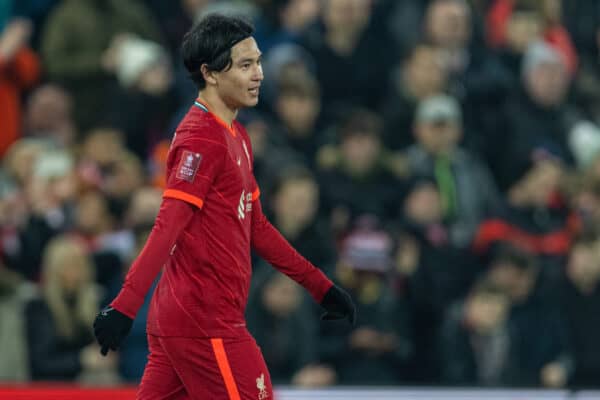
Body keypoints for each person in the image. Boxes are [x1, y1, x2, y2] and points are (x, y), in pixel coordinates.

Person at [93, 14, 355, 399]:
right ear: (210, 73)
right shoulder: (200, 139)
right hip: (205, 322)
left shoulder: (237, 136)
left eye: (259, 62)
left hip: (190, 317)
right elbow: (168, 226)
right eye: (246, 65)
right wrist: (124, 308)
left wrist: (321, 287)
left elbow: (257, 228)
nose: (259, 75)